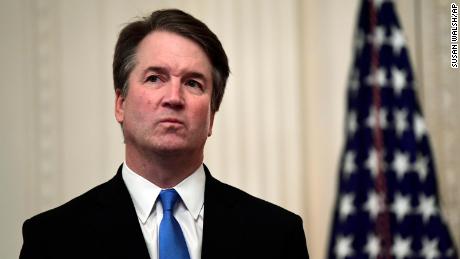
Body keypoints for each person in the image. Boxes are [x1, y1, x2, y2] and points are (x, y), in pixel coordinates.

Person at [20, 9, 309, 259]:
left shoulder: (277, 235)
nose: (173, 97)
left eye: (193, 83)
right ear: (121, 104)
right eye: (155, 78)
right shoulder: (52, 238)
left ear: (211, 117)